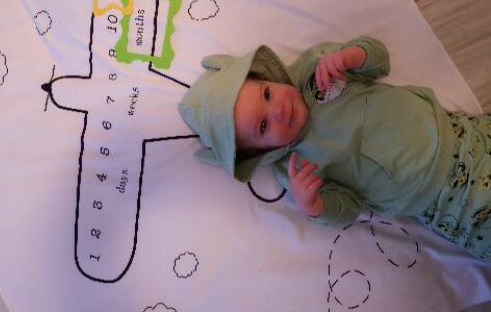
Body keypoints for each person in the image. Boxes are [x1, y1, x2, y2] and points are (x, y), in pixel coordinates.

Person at [178, 37, 491, 261]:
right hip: (444, 201)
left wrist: (351, 57)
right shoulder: (297, 169)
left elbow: (379, 59)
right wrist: (314, 204)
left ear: (266, 78)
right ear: (260, 153)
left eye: (267, 94)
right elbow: (349, 208)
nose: (278, 111)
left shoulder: (316, 68)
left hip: (459, 131)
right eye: (263, 126)